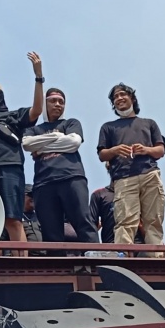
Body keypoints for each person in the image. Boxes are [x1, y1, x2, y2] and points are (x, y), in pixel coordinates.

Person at [22, 88, 99, 252]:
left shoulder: (71, 123)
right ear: (45, 104)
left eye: (61, 102)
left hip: (71, 177)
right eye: (53, 101)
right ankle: (57, 269)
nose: (58, 105)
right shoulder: (34, 129)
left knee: (83, 221)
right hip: (44, 183)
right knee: (50, 230)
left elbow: (74, 143)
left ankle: (96, 259)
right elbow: (27, 144)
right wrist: (57, 137)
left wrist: (41, 147)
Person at [97, 83, 165, 257]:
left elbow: (160, 151)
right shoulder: (108, 127)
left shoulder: (149, 123)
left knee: (154, 220)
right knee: (125, 221)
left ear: (132, 98)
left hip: (149, 173)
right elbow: (102, 154)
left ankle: (156, 259)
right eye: (115, 97)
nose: (119, 99)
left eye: (122, 95)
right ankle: (124, 260)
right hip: (123, 178)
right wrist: (115, 150)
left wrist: (146, 149)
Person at [0, 52, 44, 256]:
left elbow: (36, 110)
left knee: (13, 219)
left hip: (10, 167)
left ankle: (22, 263)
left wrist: (38, 78)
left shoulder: (12, 116)